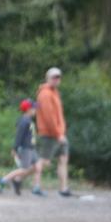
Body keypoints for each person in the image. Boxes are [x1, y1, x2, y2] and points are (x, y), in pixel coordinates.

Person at [32, 67, 72, 197]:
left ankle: (63, 188)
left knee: (63, 159)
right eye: (54, 77)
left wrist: (61, 132)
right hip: (49, 133)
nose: (57, 80)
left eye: (58, 77)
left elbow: (58, 114)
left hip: (59, 132)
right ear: (47, 78)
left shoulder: (55, 92)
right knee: (44, 160)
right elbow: (49, 117)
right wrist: (58, 134)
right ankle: (29, 183)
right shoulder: (45, 94)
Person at [0, 99, 41, 195]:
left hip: (31, 148)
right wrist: (15, 148)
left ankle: (18, 180)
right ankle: (3, 180)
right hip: (25, 148)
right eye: (34, 108)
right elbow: (19, 136)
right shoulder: (24, 121)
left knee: (37, 167)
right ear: (28, 109)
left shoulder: (29, 120)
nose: (35, 110)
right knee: (24, 169)